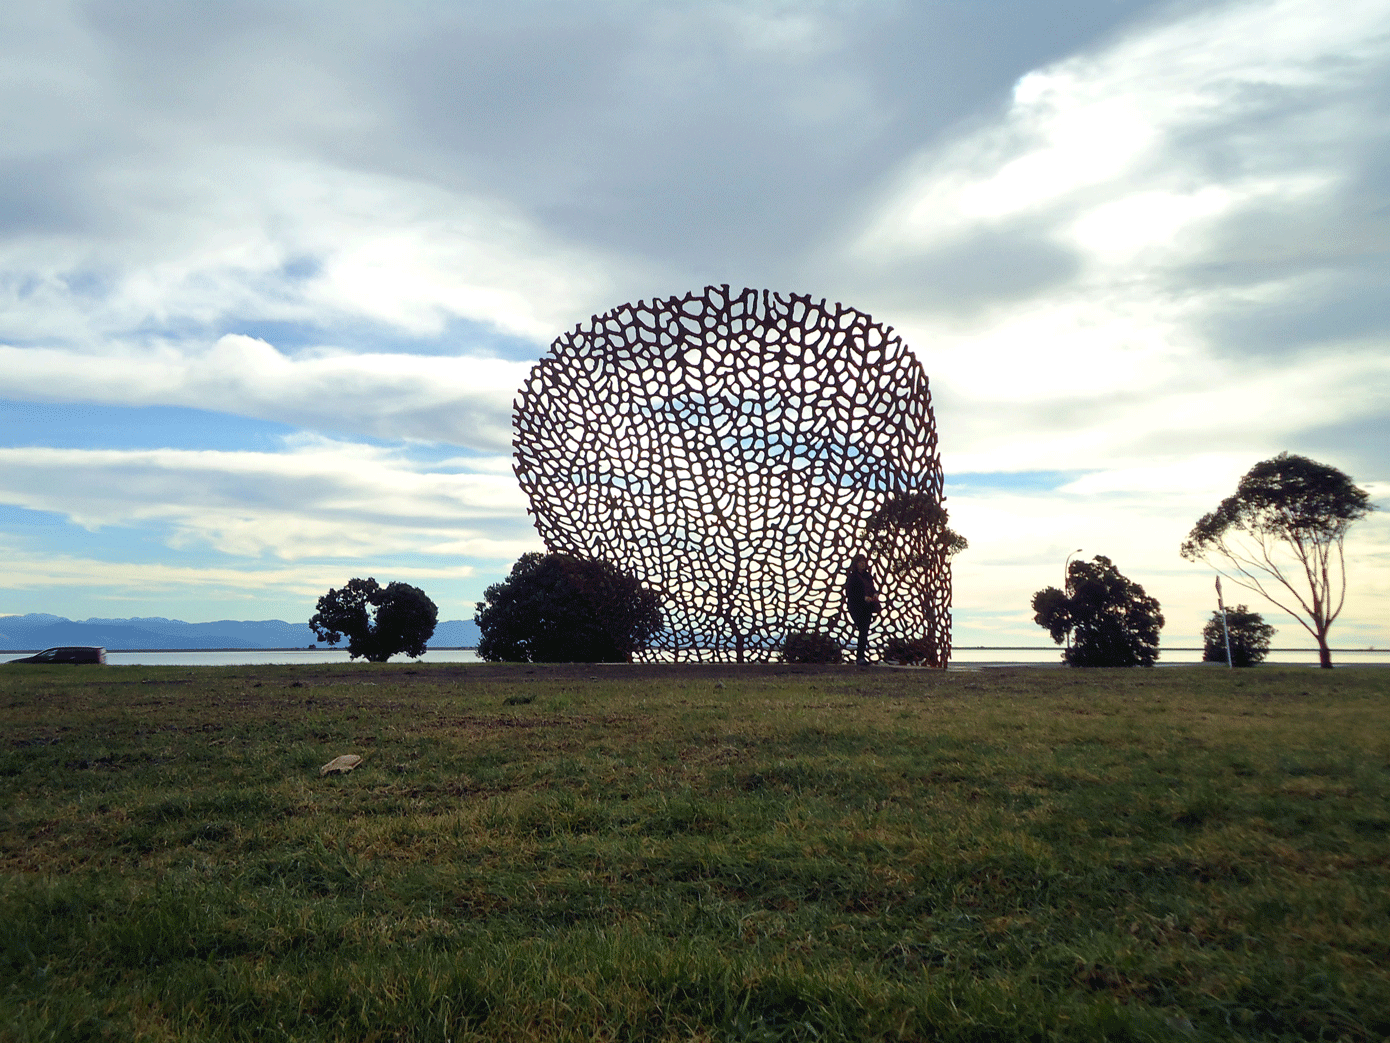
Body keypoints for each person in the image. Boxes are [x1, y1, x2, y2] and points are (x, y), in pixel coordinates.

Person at [845, 554, 880, 665]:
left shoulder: (868, 576)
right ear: (856, 564)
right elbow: (849, 593)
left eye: (864, 561)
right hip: (856, 607)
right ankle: (860, 657)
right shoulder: (853, 577)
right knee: (863, 629)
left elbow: (873, 588)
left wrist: (875, 594)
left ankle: (861, 657)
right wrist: (863, 597)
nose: (862, 563)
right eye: (860, 561)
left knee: (864, 631)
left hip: (867, 607)